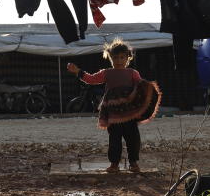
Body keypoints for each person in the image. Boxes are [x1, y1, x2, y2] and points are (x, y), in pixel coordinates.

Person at [66, 39, 161, 173]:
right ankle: (114, 164)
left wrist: (150, 91)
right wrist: (78, 72)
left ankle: (133, 163)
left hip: (129, 114)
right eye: (115, 57)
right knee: (114, 140)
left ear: (128, 58)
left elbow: (141, 88)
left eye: (122, 57)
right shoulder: (107, 73)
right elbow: (91, 79)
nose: (119, 60)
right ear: (110, 58)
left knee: (133, 139)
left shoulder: (133, 73)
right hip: (113, 115)